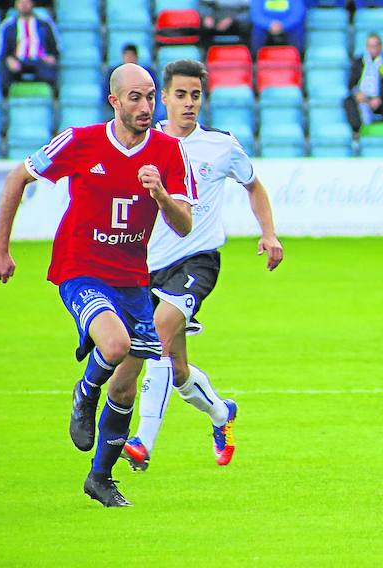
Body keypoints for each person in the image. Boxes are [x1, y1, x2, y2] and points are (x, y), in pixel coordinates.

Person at [0, 64, 196, 507]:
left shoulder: (169, 152)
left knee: (124, 387)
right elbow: (16, 178)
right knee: (116, 344)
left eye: (150, 97)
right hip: (79, 267)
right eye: (136, 98)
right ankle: (84, 393)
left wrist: (161, 195)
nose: (147, 107)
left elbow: (184, 225)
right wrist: (0, 249)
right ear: (115, 101)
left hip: (132, 279)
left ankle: (100, 478)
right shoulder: (80, 141)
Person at [118, 60, 284, 472]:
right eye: (180, 95)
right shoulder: (146, 142)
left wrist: (269, 233)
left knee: (155, 337)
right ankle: (221, 414)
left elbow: (253, 184)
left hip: (198, 261)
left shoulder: (221, 145)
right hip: (147, 265)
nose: (189, 103)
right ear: (164, 99)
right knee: (176, 369)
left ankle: (143, 441)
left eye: (195, 95)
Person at [344, 33, 383, 136]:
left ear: (381, 46)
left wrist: (380, 98)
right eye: (370, 46)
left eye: (376, 45)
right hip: (362, 98)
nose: (373, 49)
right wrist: (357, 93)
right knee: (348, 102)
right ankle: (358, 131)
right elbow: (351, 83)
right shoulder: (358, 62)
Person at [0, 0, 59, 94]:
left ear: (32, 4)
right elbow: (2, 51)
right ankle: (6, 101)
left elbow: (55, 48)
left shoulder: (45, 25)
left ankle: (52, 100)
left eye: (27, 2)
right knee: (5, 72)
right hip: (17, 60)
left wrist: (52, 57)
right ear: (16, 5)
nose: (24, 5)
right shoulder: (8, 26)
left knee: (49, 72)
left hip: (40, 60)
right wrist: (9, 59)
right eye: (21, 2)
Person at [106, 44, 163, 120]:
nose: (129, 58)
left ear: (136, 57)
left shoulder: (147, 73)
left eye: (131, 56)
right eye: (127, 56)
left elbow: (155, 92)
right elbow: (106, 92)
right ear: (123, 57)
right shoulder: (113, 73)